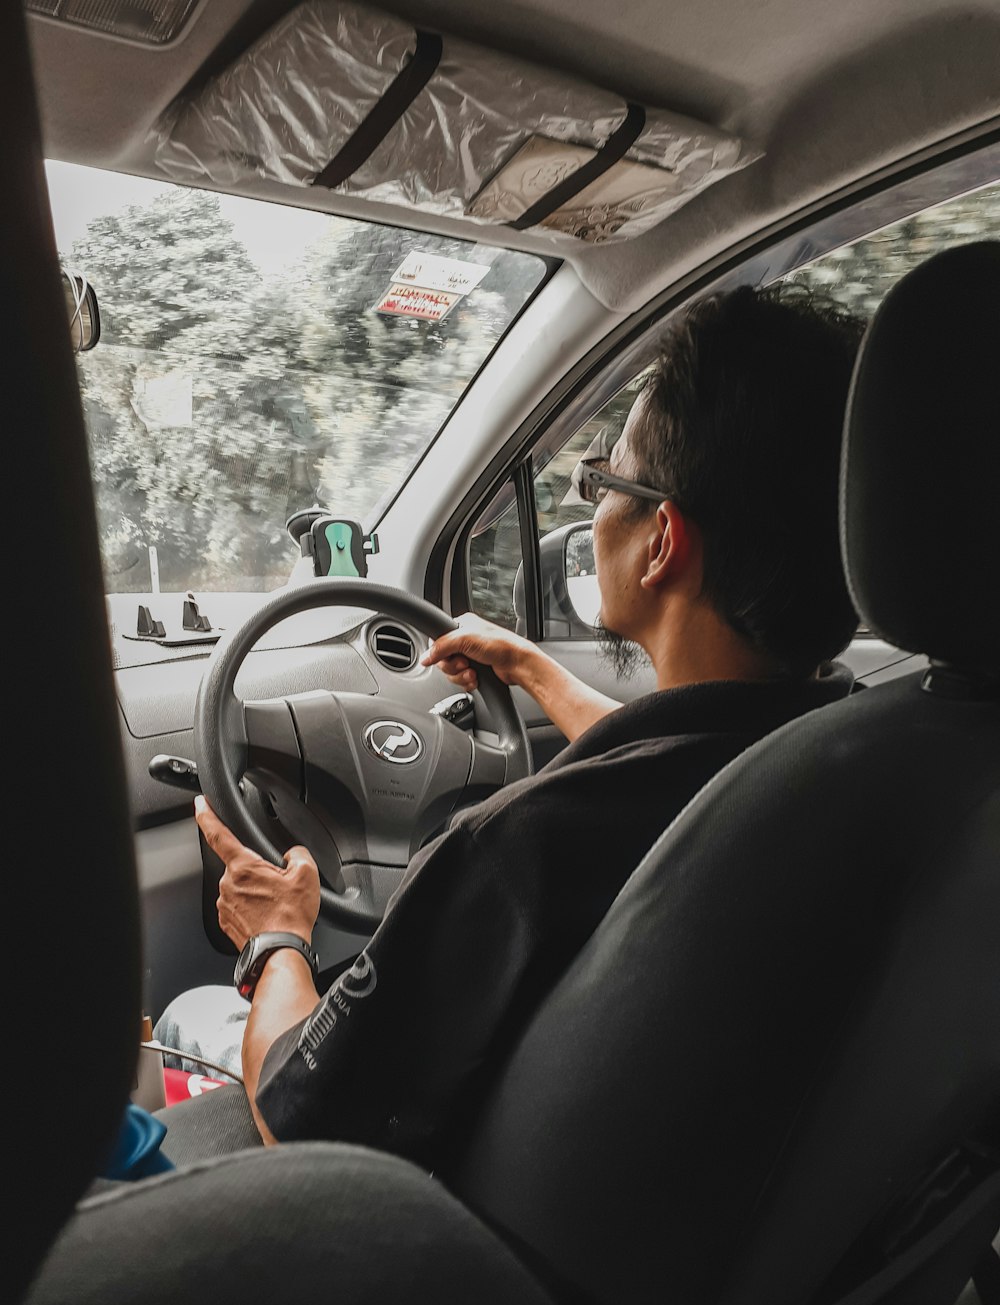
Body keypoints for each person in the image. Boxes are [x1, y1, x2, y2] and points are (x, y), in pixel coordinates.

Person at [159, 284, 864, 1164]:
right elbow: (682, 761)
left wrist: (275, 936)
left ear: (661, 543)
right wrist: (530, 668)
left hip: (449, 1247)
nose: (589, 503)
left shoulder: (520, 849)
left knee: (193, 1018)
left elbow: (300, 1110)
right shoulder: (852, 753)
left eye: (603, 478)